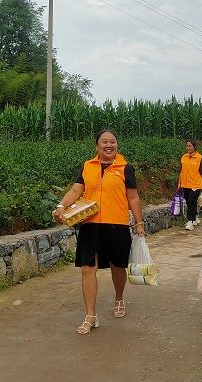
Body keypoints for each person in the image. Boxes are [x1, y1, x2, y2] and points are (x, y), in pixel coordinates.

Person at [53, 130, 145, 334]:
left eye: (113, 141)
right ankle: (91, 315)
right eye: (104, 142)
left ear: (117, 145)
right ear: (97, 146)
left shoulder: (125, 168)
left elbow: (133, 197)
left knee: (118, 268)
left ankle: (119, 298)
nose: (109, 145)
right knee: (88, 269)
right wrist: (61, 206)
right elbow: (76, 190)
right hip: (90, 225)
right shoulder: (87, 166)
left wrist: (139, 223)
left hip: (117, 225)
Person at [178, 139, 202, 231]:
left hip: (195, 184)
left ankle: (190, 221)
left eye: (190, 146)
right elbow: (181, 172)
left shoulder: (199, 158)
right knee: (189, 202)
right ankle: (195, 217)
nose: (188, 148)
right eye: (187, 146)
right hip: (185, 184)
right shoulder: (184, 157)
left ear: (194, 147)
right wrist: (179, 183)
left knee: (192, 202)